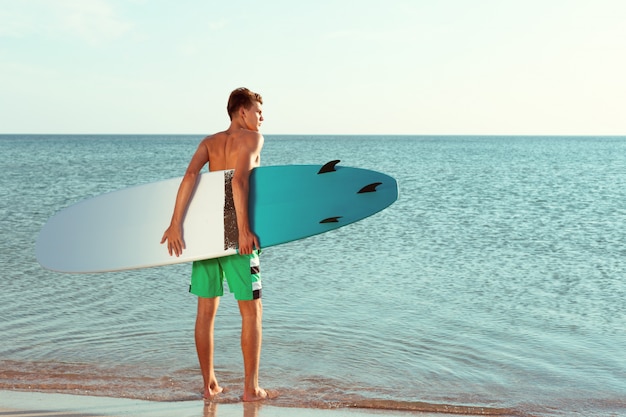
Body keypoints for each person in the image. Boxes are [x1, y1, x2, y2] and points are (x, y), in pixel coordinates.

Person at [161, 87, 275, 402]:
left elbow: (189, 177)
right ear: (242, 112)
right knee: (252, 311)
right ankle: (251, 389)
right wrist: (244, 230)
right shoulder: (252, 139)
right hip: (234, 231)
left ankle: (209, 384)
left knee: (205, 311)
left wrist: (175, 224)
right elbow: (238, 181)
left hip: (203, 233)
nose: (262, 117)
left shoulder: (209, 142)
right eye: (258, 111)